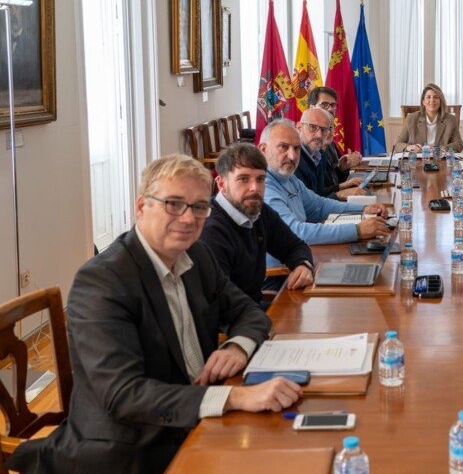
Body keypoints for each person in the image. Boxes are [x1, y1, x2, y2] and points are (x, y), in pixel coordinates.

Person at [6, 155, 303, 473]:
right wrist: (235, 398)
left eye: (200, 207)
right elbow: (124, 395)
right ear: (141, 207)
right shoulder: (102, 282)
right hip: (130, 449)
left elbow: (248, 310)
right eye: (173, 204)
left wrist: (237, 345)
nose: (189, 219)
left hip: (194, 421)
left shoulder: (196, 255)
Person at [201, 143, 315, 305]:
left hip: (253, 312)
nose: (254, 188)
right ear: (221, 184)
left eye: (260, 179)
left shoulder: (259, 211)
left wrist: (303, 265)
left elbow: (294, 246)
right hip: (233, 325)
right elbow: (220, 307)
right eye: (243, 179)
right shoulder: (211, 232)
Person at [259, 120, 389, 248]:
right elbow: (295, 232)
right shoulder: (263, 187)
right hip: (282, 268)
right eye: (283, 147)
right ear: (263, 150)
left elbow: (319, 206)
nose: (292, 156)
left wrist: (363, 208)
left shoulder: (288, 178)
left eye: (297, 148)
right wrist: (357, 230)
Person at [296, 107, 366, 199]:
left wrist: (341, 184)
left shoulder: (319, 154)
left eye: (324, 129)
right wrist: (338, 194)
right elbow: (307, 205)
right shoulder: (294, 159)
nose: (319, 135)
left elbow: (319, 193)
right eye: (312, 127)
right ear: (299, 127)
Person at [308, 86, 364, 190]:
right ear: (312, 107)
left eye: (333, 105)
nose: (330, 109)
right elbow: (314, 193)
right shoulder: (308, 144)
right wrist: (341, 187)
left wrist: (343, 167)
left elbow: (332, 180)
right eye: (324, 104)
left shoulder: (331, 143)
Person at [397, 82, 463, 152]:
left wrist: (444, 148)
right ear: (423, 102)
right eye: (428, 97)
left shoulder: (450, 120)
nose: (432, 100)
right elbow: (397, 144)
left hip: (440, 159)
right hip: (417, 160)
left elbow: (459, 144)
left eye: (436, 97)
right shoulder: (412, 118)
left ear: (440, 101)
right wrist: (409, 147)